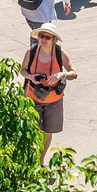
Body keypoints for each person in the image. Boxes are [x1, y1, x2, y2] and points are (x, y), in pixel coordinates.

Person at [20, 22, 78, 165]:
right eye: (41, 36)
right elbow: (23, 70)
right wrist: (30, 77)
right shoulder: (31, 52)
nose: (43, 39)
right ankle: (30, 158)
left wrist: (61, 75)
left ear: (54, 39)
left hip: (53, 99)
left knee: (47, 131)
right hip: (32, 97)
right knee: (32, 131)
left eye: (47, 37)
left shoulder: (60, 53)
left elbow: (74, 73)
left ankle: (40, 160)